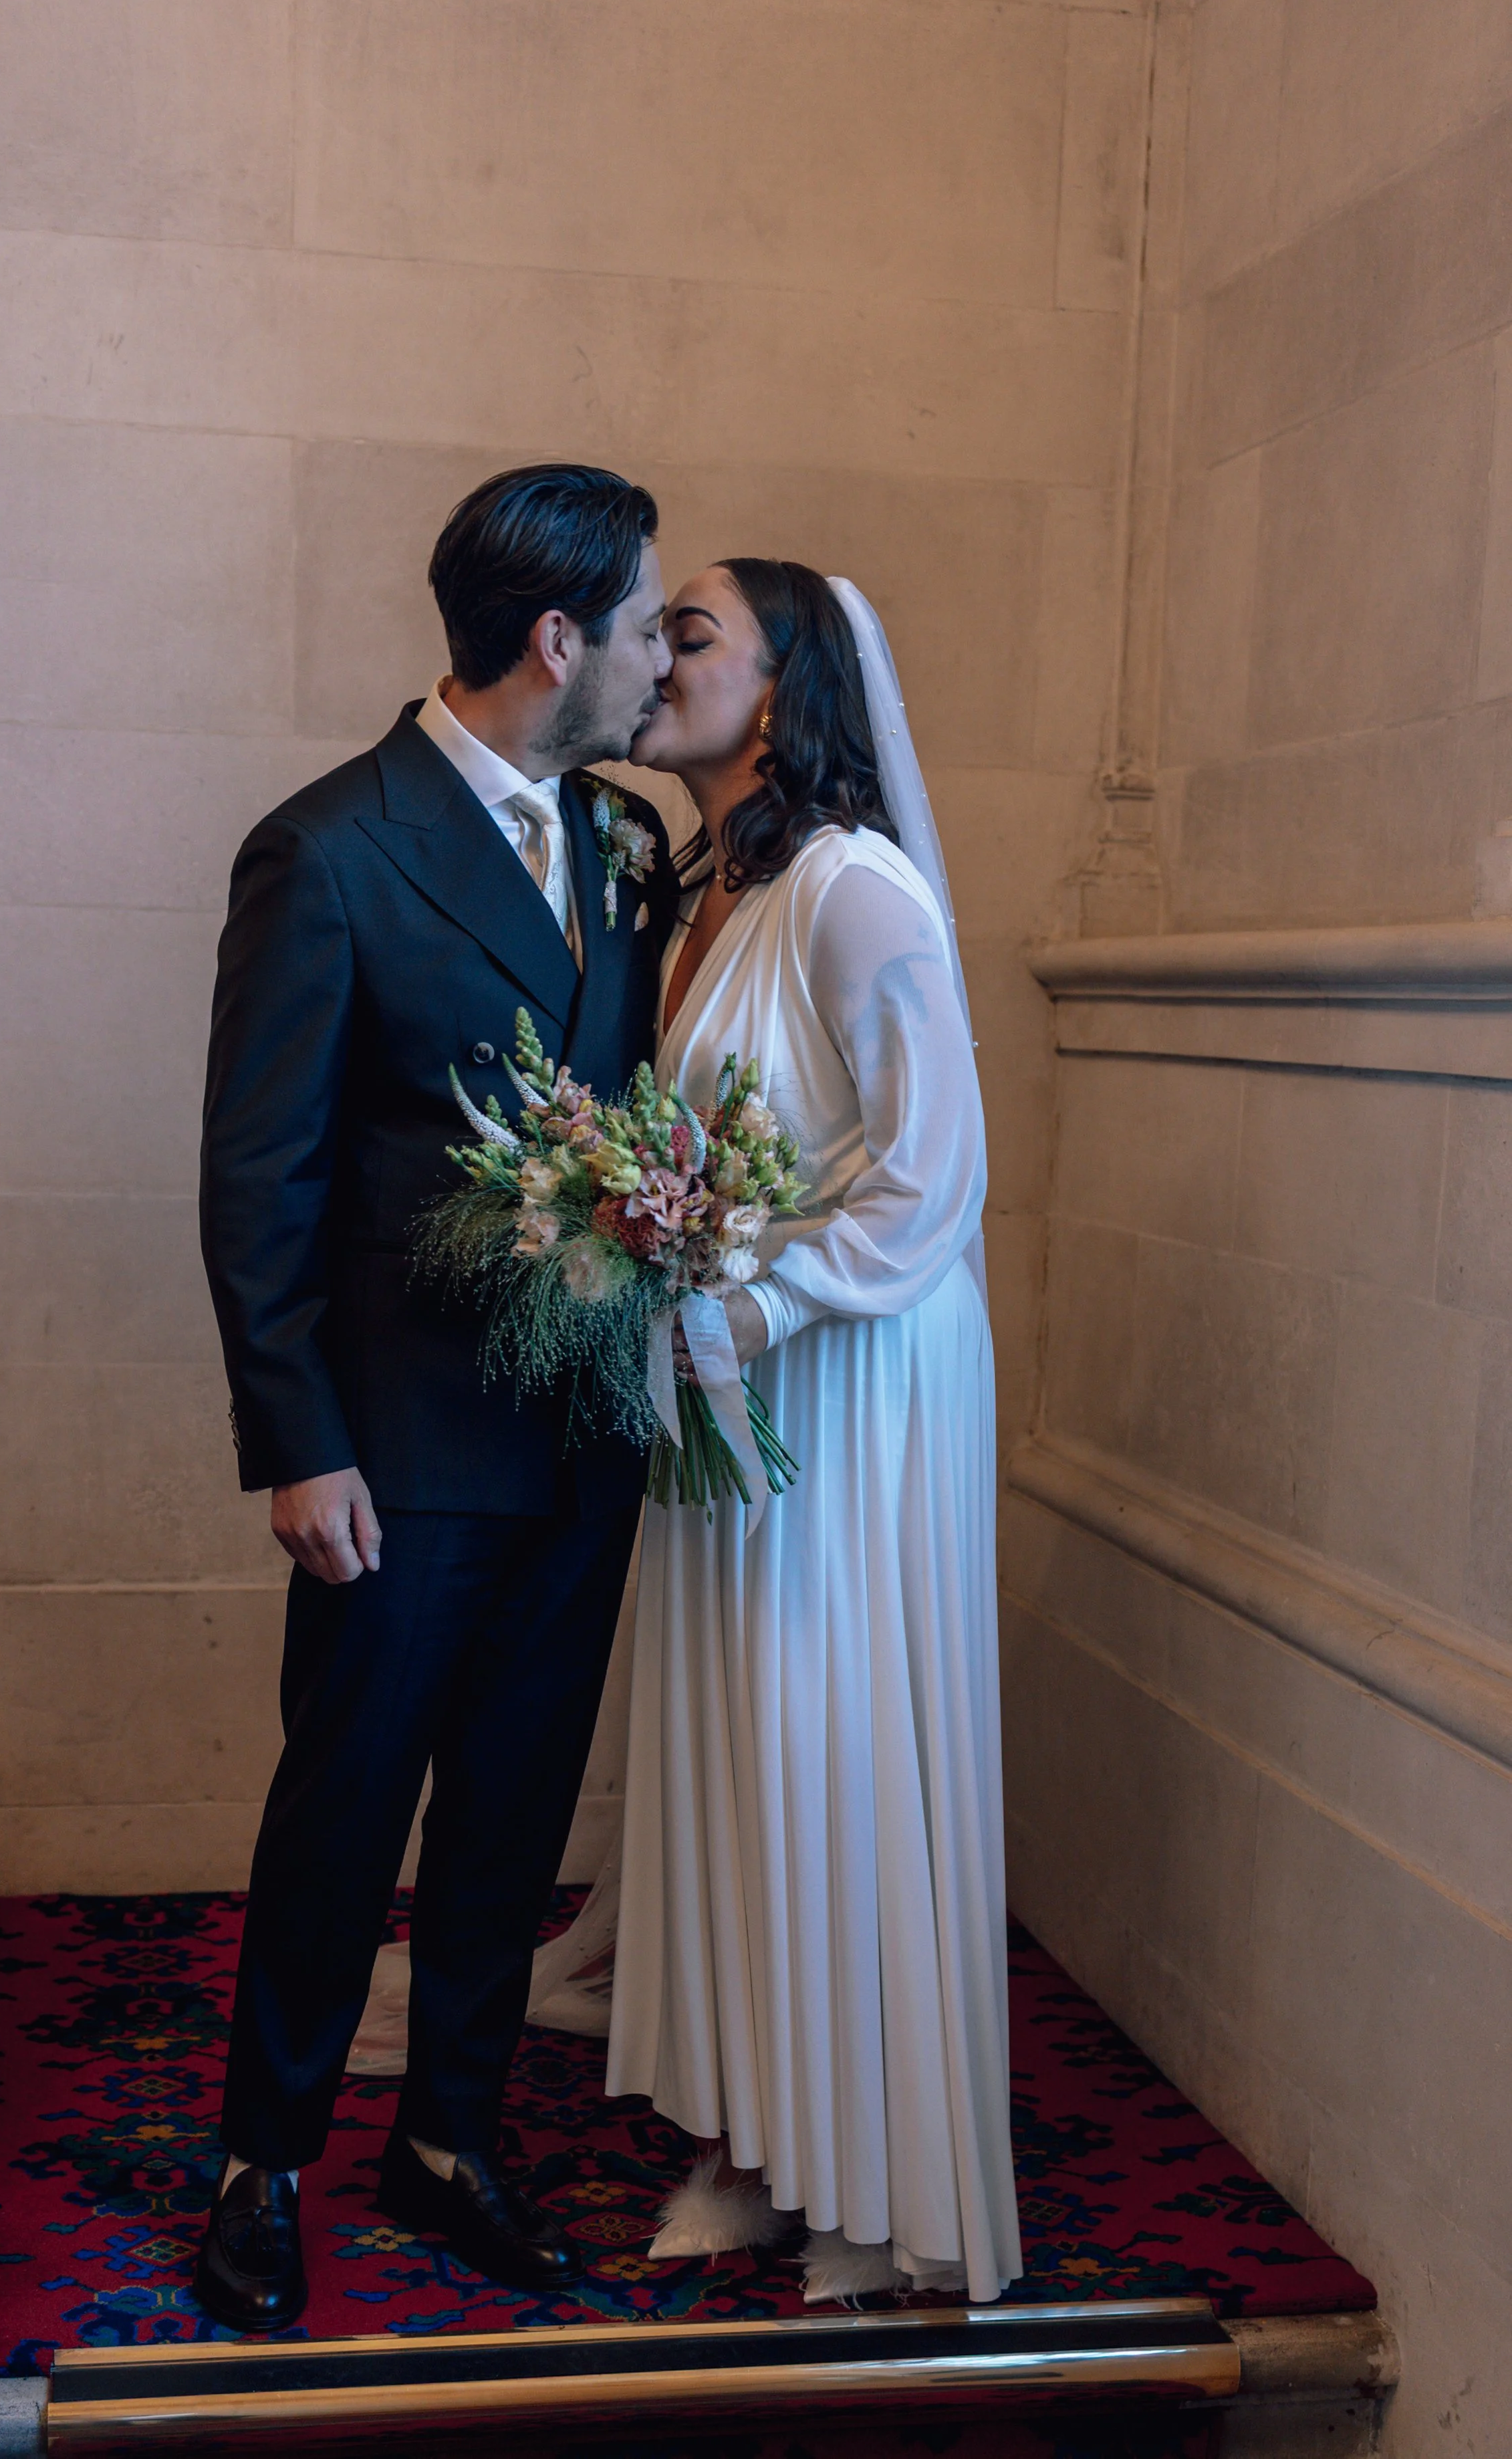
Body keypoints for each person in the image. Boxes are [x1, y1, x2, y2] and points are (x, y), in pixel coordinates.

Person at [195, 463, 680, 2330]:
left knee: (510, 1802)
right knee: (345, 1800)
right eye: (639, 624)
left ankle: (452, 2135)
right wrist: (294, 1438)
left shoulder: (622, 838)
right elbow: (264, 1177)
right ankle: (267, 2154)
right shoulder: (326, 849)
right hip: (391, 1449)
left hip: (582, 1438)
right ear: (554, 638)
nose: (652, 659)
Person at [605, 560, 1022, 2304]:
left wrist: (756, 1303)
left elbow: (935, 1175)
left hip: (848, 1387)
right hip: (728, 1381)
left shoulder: (857, 891)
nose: (651, 651)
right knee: (723, 1747)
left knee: (823, 1743)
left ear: (782, 694)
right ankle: (751, 2135)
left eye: (688, 630)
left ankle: (870, 2169)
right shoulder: (701, 894)